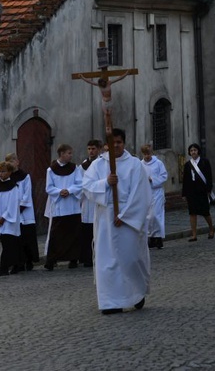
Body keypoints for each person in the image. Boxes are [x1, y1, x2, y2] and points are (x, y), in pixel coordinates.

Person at [81, 128, 151, 315]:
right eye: (112, 143)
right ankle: (110, 302)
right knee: (107, 262)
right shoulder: (98, 165)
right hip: (105, 218)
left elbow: (141, 194)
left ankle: (136, 293)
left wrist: (125, 216)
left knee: (130, 259)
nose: (116, 146)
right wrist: (105, 182)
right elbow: (87, 187)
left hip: (128, 219)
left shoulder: (135, 165)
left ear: (124, 143)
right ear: (106, 145)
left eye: (119, 142)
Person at [44, 144, 84, 271]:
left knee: (73, 234)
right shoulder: (51, 170)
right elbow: (49, 187)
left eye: (71, 153)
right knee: (56, 235)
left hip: (72, 205)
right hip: (59, 205)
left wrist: (70, 190)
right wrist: (60, 192)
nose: (71, 155)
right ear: (61, 154)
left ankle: (73, 259)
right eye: (68, 153)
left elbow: (80, 183)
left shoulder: (75, 168)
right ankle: (51, 260)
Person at [0, 161, 23, 276]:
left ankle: (4, 267)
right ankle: (16, 264)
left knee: (9, 244)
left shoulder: (14, 187)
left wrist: (4, 217)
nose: (1, 174)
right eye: (0, 171)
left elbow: (13, 204)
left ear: (10, 172)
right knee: (6, 244)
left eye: (4, 171)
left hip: (10, 219)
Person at [6, 153, 38, 271]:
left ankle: (29, 260)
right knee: (16, 240)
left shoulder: (25, 176)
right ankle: (18, 262)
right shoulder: (7, 177)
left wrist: (20, 207)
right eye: (8, 162)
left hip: (25, 212)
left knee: (27, 238)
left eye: (12, 161)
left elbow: (27, 193)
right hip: (13, 213)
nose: (11, 163)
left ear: (17, 162)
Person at [181, 143, 215, 242]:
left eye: (195, 150)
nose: (193, 152)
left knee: (205, 212)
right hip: (191, 192)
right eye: (191, 151)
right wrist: (184, 193)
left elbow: (209, 176)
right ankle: (194, 234)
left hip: (202, 191)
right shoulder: (188, 164)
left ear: (198, 151)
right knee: (192, 213)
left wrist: (209, 189)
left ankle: (211, 229)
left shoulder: (204, 162)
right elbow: (185, 180)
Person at [78, 141, 102, 267]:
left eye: (93, 148)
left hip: (98, 200)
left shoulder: (101, 164)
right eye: (89, 149)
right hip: (86, 202)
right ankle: (86, 257)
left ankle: (98, 256)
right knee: (86, 231)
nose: (91, 151)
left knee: (97, 230)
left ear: (98, 149)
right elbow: (80, 182)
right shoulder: (83, 166)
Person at [141, 144, 168, 250]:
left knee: (156, 215)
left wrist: (152, 179)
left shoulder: (158, 163)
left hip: (156, 192)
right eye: (145, 154)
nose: (147, 156)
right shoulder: (140, 164)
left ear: (151, 153)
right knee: (147, 216)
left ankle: (158, 238)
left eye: (148, 153)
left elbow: (164, 176)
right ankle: (151, 238)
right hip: (146, 193)